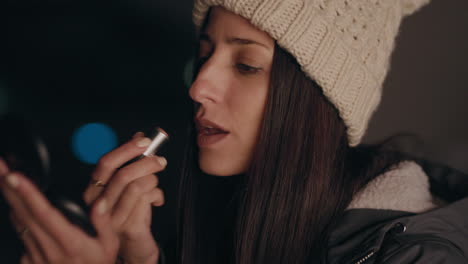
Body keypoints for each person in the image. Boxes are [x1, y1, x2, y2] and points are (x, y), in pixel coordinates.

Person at [0, 1, 467, 264]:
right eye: (204, 54)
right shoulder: (240, 221)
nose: (200, 85)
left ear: (317, 103)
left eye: (246, 64)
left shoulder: (419, 258)